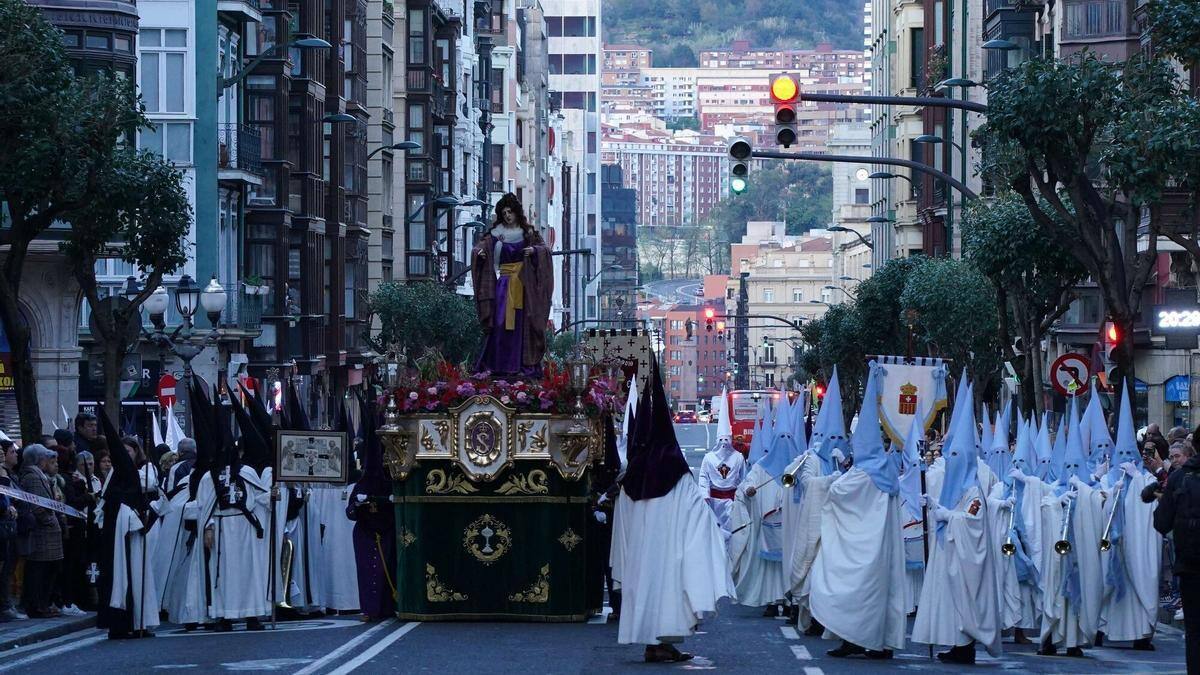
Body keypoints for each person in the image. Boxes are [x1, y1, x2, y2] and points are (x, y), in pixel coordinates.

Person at [610, 363, 733, 663]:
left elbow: (621, 524)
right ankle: (661, 643)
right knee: (667, 589)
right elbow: (696, 515)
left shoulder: (632, 476)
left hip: (641, 553)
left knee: (646, 587)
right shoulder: (676, 472)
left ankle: (653, 644)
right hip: (668, 552)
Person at [811, 362, 906, 659]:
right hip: (882, 551)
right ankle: (880, 641)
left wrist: (839, 471)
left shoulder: (862, 473)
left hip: (859, 551)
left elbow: (837, 493)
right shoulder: (885, 470)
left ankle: (855, 638)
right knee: (881, 594)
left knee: (855, 593)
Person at [913, 384, 1002, 665]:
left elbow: (971, 523)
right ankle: (956, 644)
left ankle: (965, 647)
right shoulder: (957, 488)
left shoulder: (974, 491)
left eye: (955, 457)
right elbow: (951, 512)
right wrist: (936, 508)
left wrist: (945, 516)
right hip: (950, 553)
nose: (950, 461)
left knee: (963, 598)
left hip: (964, 559)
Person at [1096, 386, 1160, 651]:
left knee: (1138, 585)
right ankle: (1101, 628)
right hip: (1113, 546)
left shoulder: (1145, 479)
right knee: (1107, 584)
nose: (1124, 460)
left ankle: (1141, 632)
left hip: (1137, 547)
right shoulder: (1106, 479)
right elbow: (1097, 506)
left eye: (1128, 455)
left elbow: (1151, 504)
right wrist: (1109, 492)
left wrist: (1136, 483)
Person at [471, 193, 553, 378]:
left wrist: (534, 251)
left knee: (521, 324)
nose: (507, 215)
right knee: (499, 323)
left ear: (517, 213)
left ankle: (521, 366)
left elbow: (545, 250)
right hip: (503, 286)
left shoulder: (529, 234)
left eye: (510, 211)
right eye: (504, 212)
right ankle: (498, 365)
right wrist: (480, 254)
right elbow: (480, 247)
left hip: (523, 288)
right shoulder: (496, 234)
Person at [1146, 421, 1200, 674]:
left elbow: (1161, 522)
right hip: (1189, 566)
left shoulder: (1179, 478)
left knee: (1195, 631)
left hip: (1190, 568)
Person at [347, 395, 397, 621]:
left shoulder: (389, 482)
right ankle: (368, 608)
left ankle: (386, 607)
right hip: (366, 533)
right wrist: (359, 505)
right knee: (367, 571)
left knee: (387, 572)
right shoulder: (361, 483)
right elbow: (350, 512)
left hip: (385, 531)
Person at [18, 444, 65, 618]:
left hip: (49, 533)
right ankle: (37, 605)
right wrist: (50, 521)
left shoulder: (41, 476)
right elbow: (39, 505)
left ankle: (43, 604)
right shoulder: (32, 477)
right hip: (43, 533)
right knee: (40, 572)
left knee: (48, 571)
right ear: (40, 459)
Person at [697, 390, 745, 541]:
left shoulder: (738, 458)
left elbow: (743, 478)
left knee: (733, 532)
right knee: (714, 532)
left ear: (730, 440)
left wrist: (742, 495)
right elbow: (703, 478)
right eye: (721, 440)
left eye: (727, 440)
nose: (724, 443)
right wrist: (705, 496)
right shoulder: (709, 458)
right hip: (713, 501)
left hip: (732, 501)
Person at [0, 440, 23, 622]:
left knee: (7, 568)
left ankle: (6, 604)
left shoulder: (7, 474)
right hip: (3, 525)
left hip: (7, 528)